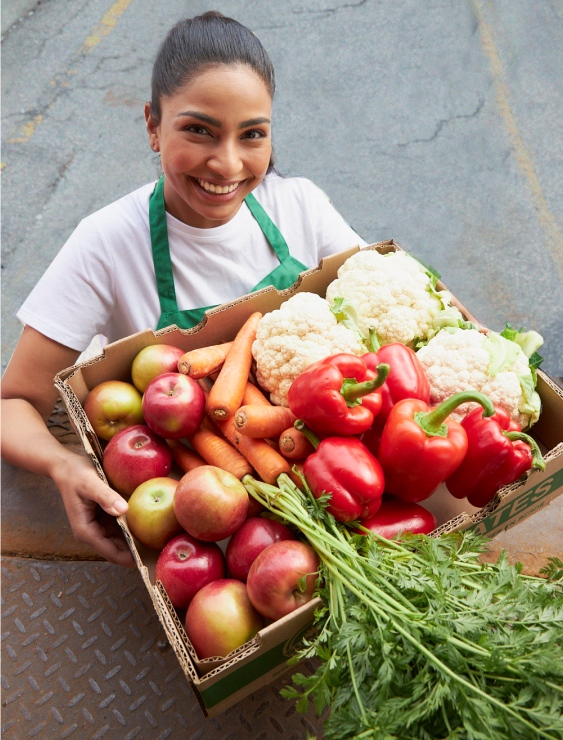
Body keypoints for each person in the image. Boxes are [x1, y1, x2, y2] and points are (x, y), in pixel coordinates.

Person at [1, 11, 366, 568]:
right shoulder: (106, 242)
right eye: (198, 130)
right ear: (152, 125)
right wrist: (65, 466)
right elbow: (14, 403)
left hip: (322, 476)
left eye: (253, 135)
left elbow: (384, 294)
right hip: (189, 511)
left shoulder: (301, 207)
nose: (227, 163)